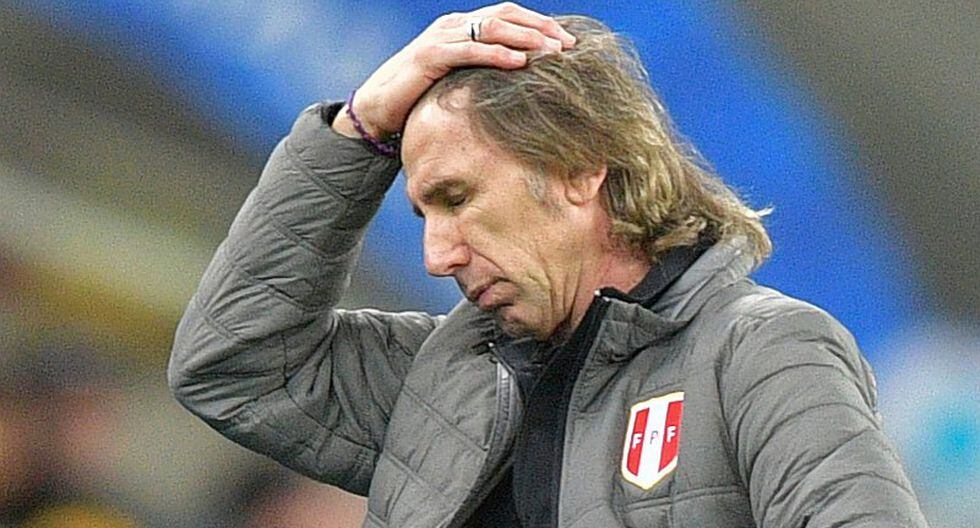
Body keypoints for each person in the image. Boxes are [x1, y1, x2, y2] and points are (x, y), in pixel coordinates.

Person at [168, 3, 929, 527]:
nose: (437, 256)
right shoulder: (443, 379)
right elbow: (233, 364)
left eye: (458, 198)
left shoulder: (761, 352)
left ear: (578, 168)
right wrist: (360, 129)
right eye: (424, 215)